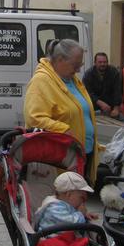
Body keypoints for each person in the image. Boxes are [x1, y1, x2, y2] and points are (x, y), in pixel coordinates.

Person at [24, 39, 99, 184]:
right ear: (59, 60)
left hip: (81, 153)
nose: (78, 70)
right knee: (67, 201)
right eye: (76, 65)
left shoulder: (72, 80)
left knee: (77, 201)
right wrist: (64, 130)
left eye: (80, 65)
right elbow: (35, 118)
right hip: (61, 159)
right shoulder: (41, 81)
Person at [82, 52, 121, 118]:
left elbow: (117, 90)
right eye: (100, 62)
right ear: (95, 63)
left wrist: (116, 108)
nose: (102, 64)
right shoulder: (88, 74)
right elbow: (87, 92)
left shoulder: (114, 72)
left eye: (105, 62)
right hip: (94, 108)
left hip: (111, 108)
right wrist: (100, 102)